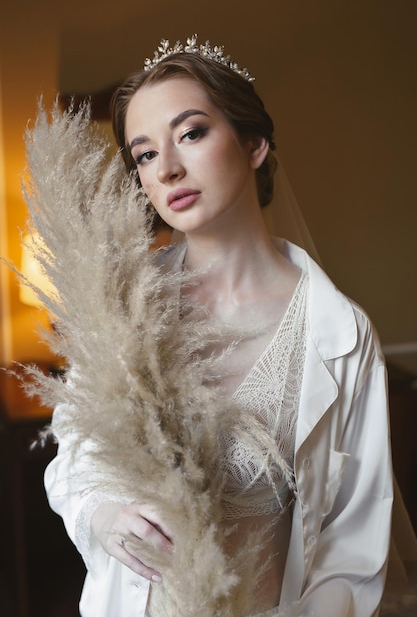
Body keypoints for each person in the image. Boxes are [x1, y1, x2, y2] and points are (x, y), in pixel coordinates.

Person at [43, 35, 393, 616]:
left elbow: (351, 555)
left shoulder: (340, 338)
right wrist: (103, 514)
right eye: (145, 154)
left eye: (191, 133)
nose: (169, 168)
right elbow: (75, 459)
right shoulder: (118, 302)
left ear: (253, 142)